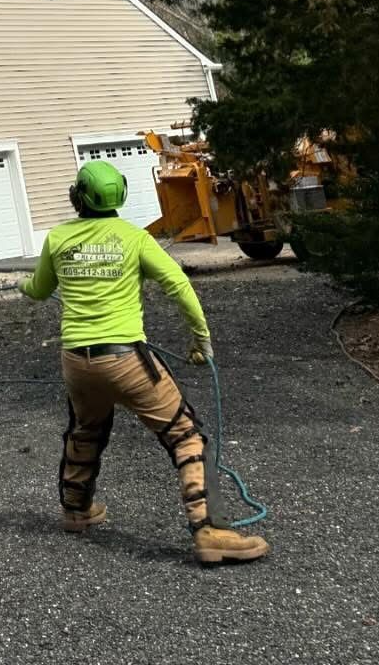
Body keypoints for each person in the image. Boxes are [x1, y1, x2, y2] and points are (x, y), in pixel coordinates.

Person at [19, 159, 270, 566]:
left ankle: (76, 510)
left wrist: (23, 285)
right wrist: (200, 339)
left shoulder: (58, 237)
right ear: (119, 196)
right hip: (125, 359)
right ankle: (210, 531)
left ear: (77, 197)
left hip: (76, 363)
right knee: (186, 435)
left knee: (85, 429)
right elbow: (177, 284)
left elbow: (39, 287)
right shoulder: (134, 238)